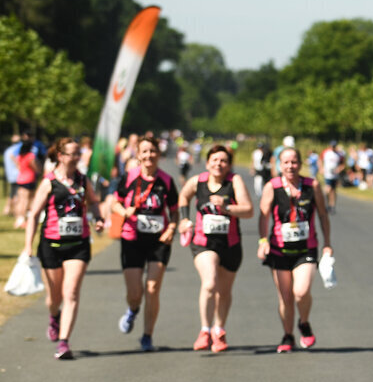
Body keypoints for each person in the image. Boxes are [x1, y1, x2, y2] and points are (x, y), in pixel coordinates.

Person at [22, 138, 104, 360]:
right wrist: (28, 246)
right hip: (51, 245)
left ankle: (64, 342)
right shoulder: (49, 182)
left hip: (78, 245)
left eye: (79, 154)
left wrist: (98, 217)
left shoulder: (82, 180)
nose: (77, 158)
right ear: (60, 156)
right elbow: (34, 215)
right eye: (72, 154)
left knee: (72, 292)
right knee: (54, 298)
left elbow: (94, 201)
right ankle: (54, 316)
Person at [178, 144, 255, 352]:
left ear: (229, 164)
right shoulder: (198, 181)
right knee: (210, 282)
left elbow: (248, 211)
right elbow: (183, 196)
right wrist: (184, 219)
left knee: (224, 291)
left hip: (230, 244)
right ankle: (205, 329)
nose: (218, 164)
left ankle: (218, 330)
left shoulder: (235, 181)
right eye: (214, 160)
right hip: (203, 242)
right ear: (207, 162)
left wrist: (227, 207)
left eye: (223, 161)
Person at [257, 146, 332, 353]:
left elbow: (323, 215)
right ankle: (288, 336)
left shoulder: (312, 185)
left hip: (306, 249)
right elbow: (263, 216)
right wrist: (263, 241)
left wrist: (327, 243)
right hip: (279, 250)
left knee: (301, 291)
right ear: (280, 165)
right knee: (286, 297)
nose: (290, 166)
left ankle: (304, 323)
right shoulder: (272, 186)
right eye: (286, 162)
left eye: (294, 162)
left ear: (300, 164)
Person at [110, 136, 180, 352]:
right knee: (135, 293)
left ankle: (147, 335)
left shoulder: (167, 181)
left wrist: (171, 229)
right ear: (138, 155)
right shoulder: (129, 177)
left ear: (159, 154)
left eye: (153, 151)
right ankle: (132, 310)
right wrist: (125, 211)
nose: (149, 155)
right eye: (145, 151)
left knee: (152, 288)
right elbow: (114, 203)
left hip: (158, 241)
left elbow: (175, 211)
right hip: (132, 238)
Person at [14, 133, 42, 228]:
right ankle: (23, 220)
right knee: (27, 200)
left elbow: (18, 166)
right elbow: (36, 167)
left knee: (21, 199)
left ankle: (19, 218)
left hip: (20, 178)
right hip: (29, 179)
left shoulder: (20, 156)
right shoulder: (30, 156)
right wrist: (39, 169)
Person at [322, 141, 342, 212]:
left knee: (333, 190)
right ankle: (328, 203)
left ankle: (332, 205)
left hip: (335, 175)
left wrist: (339, 169)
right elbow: (319, 159)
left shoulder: (339, 154)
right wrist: (321, 168)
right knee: (328, 189)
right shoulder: (326, 152)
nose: (333, 148)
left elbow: (343, 164)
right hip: (328, 174)